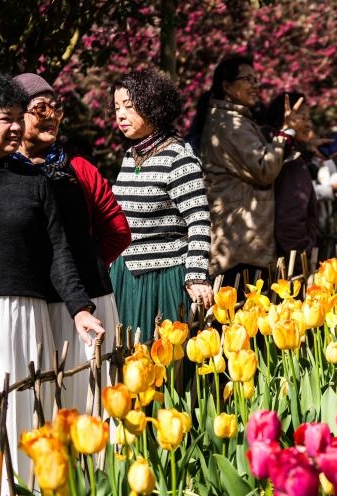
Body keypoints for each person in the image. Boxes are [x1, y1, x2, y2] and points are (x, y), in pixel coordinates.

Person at [0, 74, 105, 482]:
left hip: (27, 315)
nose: (17, 127)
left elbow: (58, 253)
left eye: (20, 118)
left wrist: (80, 309)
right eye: (6, 118)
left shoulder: (35, 183)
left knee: (26, 411)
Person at [12, 73, 130, 412]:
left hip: (86, 301)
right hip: (29, 306)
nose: (52, 115)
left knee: (87, 401)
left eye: (57, 107)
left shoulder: (79, 169)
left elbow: (118, 231)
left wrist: (82, 263)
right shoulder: (1, 173)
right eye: (41, 108)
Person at [110, 68, 213, 341]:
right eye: (117, 107)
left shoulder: (178, 157)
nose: (120, 115)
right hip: (126, 276)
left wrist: (196, 275)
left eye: (129, 106)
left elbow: (199, 221)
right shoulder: (130, 157)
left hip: (163, 278)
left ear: (153, 106)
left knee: (164, 356)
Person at [190, 55, 295, 287]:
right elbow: (264, 169)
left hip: (243, 246)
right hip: (238, 250)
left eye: (256, 79)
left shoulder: (235, 120)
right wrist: (284, 134)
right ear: (227, 86)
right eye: (248, 79)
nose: (255, 85)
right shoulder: (230, 125)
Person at [265, 92, 320, 263]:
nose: (309, 124)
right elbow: (289, 222)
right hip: (290, 263)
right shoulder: (290, 162)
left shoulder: (291, 157)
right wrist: (305, 255)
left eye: (309, 118)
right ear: (285, 120)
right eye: (302, 118)